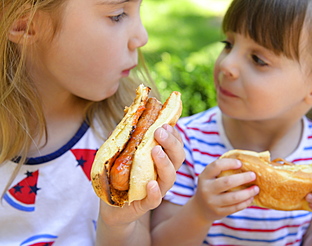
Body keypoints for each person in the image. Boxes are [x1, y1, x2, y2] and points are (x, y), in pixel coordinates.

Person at [151, 0, 312, 245]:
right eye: (229, 44)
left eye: (258, 59)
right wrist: (200, 211)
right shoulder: (185, 143)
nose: (227, 64)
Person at [0, 0, 184, 245]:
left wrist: (118, 224)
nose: (142, 37)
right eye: (118, 15)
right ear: (25, 25)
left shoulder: (120, 121)